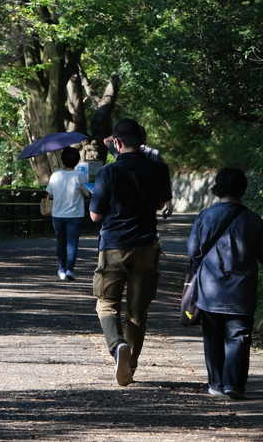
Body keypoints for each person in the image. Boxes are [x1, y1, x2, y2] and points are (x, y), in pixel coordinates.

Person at [89, 118, 173, 386]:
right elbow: (162, 204)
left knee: (106, 303)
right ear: (142, 141)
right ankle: (130, 365)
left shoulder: (108, 173)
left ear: (117, 143)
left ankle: (117, 347)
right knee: (137, 312)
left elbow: (95, 215)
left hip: (114, 246)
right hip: (147, 246)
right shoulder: (159, 170)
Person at [187, 167, 263, 400]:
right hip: (241, 292)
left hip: (209, 290)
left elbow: (193, 251)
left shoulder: (205, 216)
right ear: (243, 190)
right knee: (239, 335)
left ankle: (215, 384)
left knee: (213, 335)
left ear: (217, 189)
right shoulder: (252, 219)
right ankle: (233, 384)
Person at [103, 124, 172, 216]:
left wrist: (122, 135)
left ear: (117, 142)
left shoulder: (119, 152)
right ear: (145, 137)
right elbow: (163, 181)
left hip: (123, 204)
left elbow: (106, 140)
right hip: (147, 205)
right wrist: (169, 205)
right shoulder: (154, 154)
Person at [46, 147, 91, 281]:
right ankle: (70, 270)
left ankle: (61, 269)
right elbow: (88, 193)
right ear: (77, 161)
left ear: (62, 160)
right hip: (75, 214)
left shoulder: (55, 175)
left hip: (58, 214)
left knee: (61, 241)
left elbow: (50, 194)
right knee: (72, 243)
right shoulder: (80, 176)